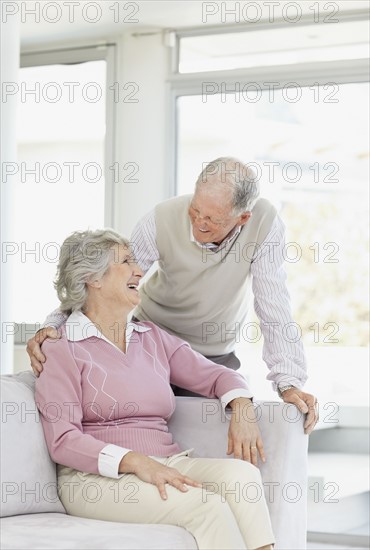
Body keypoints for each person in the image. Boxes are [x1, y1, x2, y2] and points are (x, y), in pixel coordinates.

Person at [28, 157, 318, 453]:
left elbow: (274, 305)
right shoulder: (161, 218)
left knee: (216, 443)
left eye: (212, 220)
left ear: (242, 218)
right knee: (141, 428)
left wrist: (288, 382)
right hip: (153, 345)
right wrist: (53, 326)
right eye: (195, 210)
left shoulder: (264, 224)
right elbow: (105, 281)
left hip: (213, 354)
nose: (198, 223)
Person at [35, 228, 275, 550]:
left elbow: (218, 376)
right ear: (94, 278)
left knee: (243, 478)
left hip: (167, 460)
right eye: (126, 261)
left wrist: (243, 407)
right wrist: (136, 462)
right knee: (205, 505)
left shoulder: (152, 337)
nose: (139, 270)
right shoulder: (62, 349)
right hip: (92, 479)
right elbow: (63, 440)